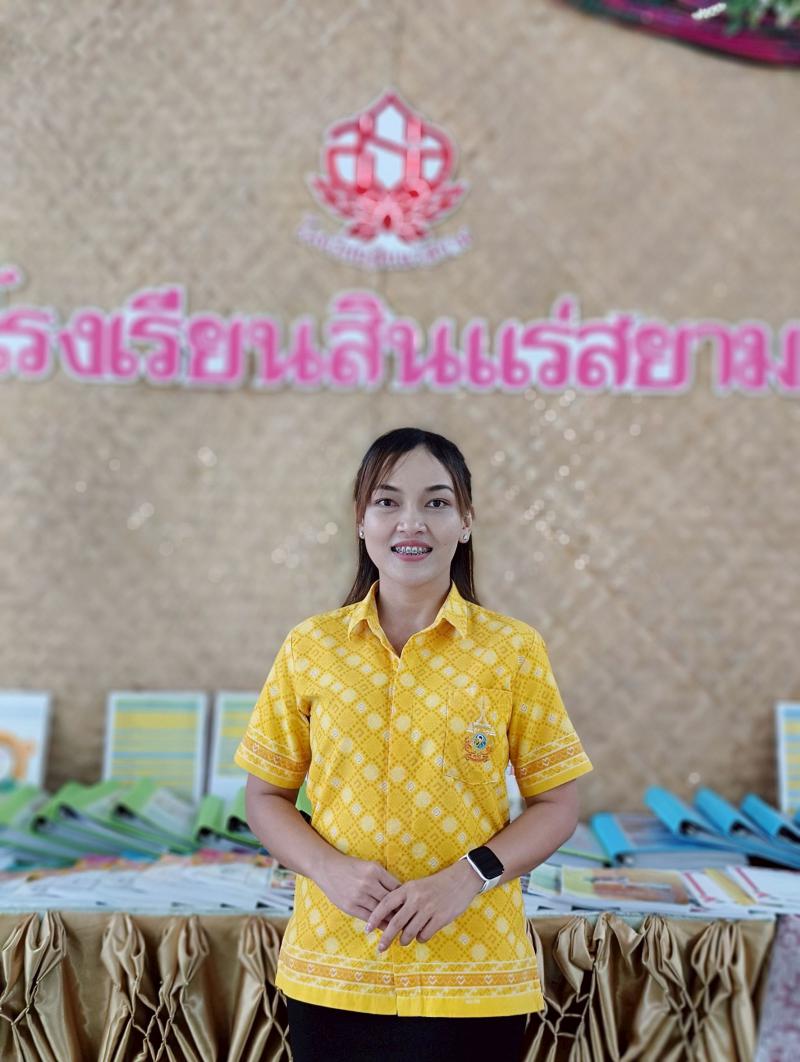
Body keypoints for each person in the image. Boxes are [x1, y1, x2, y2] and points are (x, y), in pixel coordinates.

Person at [233, 427, 593, 1062]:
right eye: (387, 501)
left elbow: (557, 806)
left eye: (436, 502)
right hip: (335, 965)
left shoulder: (512, 651)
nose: (412, 522)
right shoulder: (310, 647)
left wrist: (467, 878)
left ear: (466, 521)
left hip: (473, 973)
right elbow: (265, 796)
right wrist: (326, 868)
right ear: (361, 520)